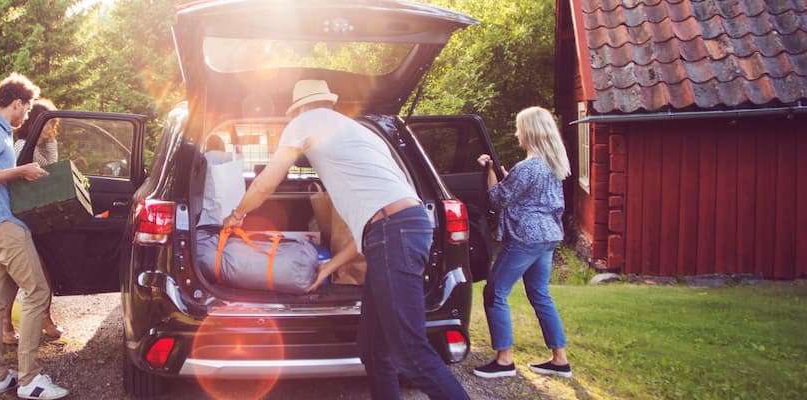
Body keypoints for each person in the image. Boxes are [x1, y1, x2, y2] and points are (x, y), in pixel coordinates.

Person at [223, 80, 469, 399]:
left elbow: (267, 181)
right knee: (372, 349)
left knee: (410, 353)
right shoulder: (361, 133)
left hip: (395, 233)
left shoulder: (304, 121)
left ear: (298, 109)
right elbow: (369, 231)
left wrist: (237, 214)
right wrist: (330, 268)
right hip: (400, 229)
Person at [0, 72, 69, 400]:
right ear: (16, 103)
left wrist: (23, 179)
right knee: (38, 291)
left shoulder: (1, 133)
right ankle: (29, 381)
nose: (26, 117)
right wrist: (21, 171)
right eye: (25, 110)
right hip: (5, 228)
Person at [472, 106, 573, 380]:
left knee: (495, 292)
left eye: (519, 127)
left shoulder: (528, 167)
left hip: (526, 238)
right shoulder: (554, 164)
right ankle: (559, 359)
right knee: (540, 294)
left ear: (529, 131)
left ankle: (504, 361)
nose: (516, 133)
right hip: (548, 236)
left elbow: (497, 199)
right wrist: (506, 175)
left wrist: (490, 170)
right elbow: (523, 195)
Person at [4, 98, 65, 344]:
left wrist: (49, 139)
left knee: (45, 269)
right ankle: (6, 325)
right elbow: (43, 176)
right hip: (22, 219)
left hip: (40, 218)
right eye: (48, 125)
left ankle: (45, 318)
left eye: (54, 124)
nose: (53, 130)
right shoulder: (21, 147)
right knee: (16, 276)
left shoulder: (43, 146)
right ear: (35, 124)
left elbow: (52, 168)